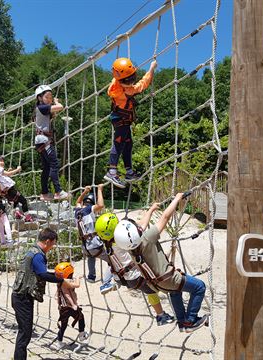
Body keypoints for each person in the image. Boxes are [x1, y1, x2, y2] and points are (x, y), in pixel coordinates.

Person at [114, 192, 208, 333]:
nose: (139, 226)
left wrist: (151, 210)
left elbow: (142, 226)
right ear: (135, 232)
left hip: (156, 283)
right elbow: (165, 217)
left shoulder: (129, 249)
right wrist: (177, 198)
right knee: (199, 287)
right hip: (168, 278)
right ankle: (190, 320)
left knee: (175, 292)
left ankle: (182, 322)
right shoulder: (147, 238)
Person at [95, 212, 176, 326]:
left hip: (124, 278)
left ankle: (112, 282)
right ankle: (161, 316)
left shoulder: (107, 243)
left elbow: (139, 223)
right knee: (155, 288)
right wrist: (151, 210)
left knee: (150, 291)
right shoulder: (123, 241)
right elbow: (143, 225)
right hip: (136, 277)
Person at [11, 228, 75, 360]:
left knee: (24, 332)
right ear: (47, 241)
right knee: (25, 334)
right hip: (23, 298)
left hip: (20, 296)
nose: (52, 247)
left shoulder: (32, 250)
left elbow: (39, 272)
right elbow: (43, 274)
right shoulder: (38, 255)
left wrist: (56, 275)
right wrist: (62, 280)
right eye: (53, 244)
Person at [104, 58, 157, 188]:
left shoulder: (114, 85)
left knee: (128, 145)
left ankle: (129, 172)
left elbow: (118, 75)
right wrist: (151, 68)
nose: (131, 82)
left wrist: (120, 71)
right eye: (129, 80)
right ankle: (112, 171)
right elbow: (144, 83)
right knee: (119, 142)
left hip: (122, 120)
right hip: (121, 120)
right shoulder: (130, 90)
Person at [34, 85, 69, 201]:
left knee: (47, 167)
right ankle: (58, 191)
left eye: (51, 97)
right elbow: (60, 107)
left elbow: (52, 115)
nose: (49, 99)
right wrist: (56, 102)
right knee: (54, 164)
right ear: (39, 98)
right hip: (44, 140)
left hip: (40, 141)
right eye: (47, 97)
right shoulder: (42, 107)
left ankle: (44, 193)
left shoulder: (41, 109)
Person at [53, 262, 89, 351]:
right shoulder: (65, 281)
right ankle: (81, 334)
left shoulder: (60, 281)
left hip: (63, 308)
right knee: (81, 317)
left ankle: (59, 341)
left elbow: (59, 294)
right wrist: (78, 278)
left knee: (63, 325)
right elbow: (76, 285)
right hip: (69, 307)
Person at [74, 184, 106, 283]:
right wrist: (99, 190)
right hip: (94, 245)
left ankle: (91, 277)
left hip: (85, 247)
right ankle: (112, 276)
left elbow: (78, 201)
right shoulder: (89, 210)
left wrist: (85, 192)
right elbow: (100, 205)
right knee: (111, 259)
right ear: (91, 204)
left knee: (91, 257)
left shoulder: (77, 211)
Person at [0, 154, 34, 222]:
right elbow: (9, 174)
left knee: (16, 201)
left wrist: (8, 171)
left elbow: (6, 177)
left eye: (3, 161)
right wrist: (17, 169)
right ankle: (27, 217)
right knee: (24, 201)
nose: (2, 162)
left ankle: (17, 213)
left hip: (8, 192)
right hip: (10, 191)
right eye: (0, 161)